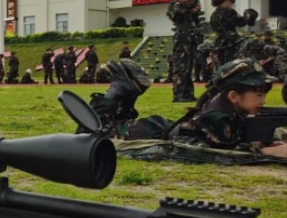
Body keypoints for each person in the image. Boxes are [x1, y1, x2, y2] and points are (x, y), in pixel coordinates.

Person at [85, 58, 286, 158]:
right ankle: (119, 89)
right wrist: (269, 150)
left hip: (160, 127)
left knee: (112, 124)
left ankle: (127, 90)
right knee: (92, 132)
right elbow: (226, 151)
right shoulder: (217, 117)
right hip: (148, 131)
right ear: (233, 96)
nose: (263, 100)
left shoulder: (228, 109)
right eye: (259, 94)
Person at [167, 0, 203, 102]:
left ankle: (188, 94)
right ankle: (179, 95)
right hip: (182, 40)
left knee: (188, 68)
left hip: (190, 39)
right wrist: (186, 4)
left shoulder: (189, 7)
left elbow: (194, 20)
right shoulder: (175, 4)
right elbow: (176, 14)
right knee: (180, 68)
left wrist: (195, 10)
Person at [208, 0, 256, 67]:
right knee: (232, 64)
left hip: (218, 43)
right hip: (231, 43)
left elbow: (213, 28)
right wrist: (248, 15)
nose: (231, 6)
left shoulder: (213, 15)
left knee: (221, 66)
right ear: (227, 1)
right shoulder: (229, 12)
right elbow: (241, 22)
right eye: (232, 3)